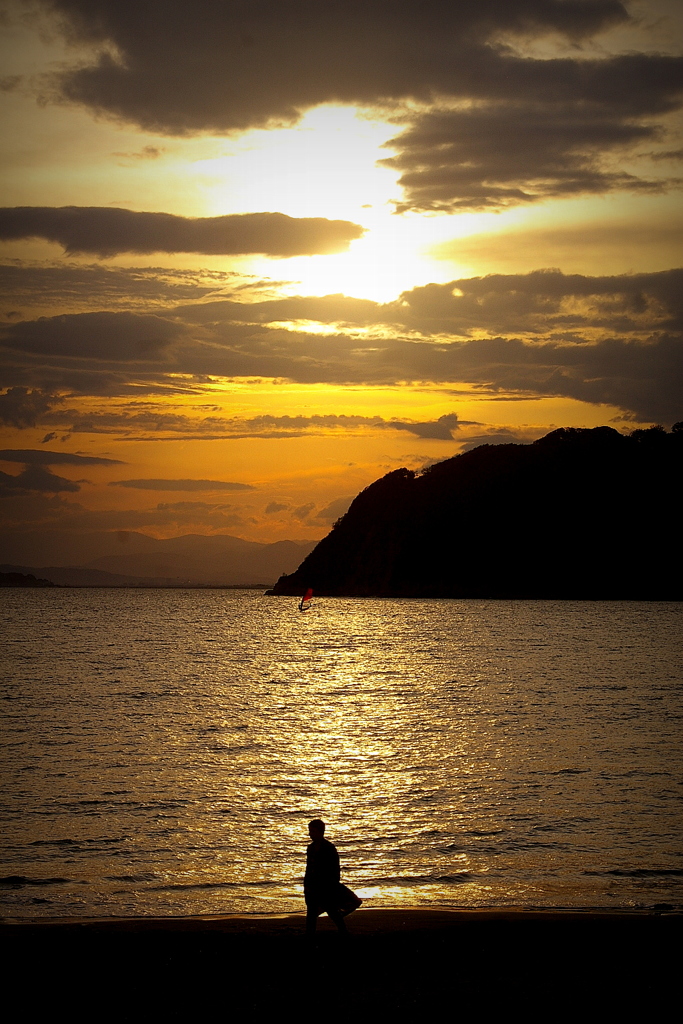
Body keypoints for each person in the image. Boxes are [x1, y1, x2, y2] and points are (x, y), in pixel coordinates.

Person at [304, 818, 361, 936]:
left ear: (321, 832)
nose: (310, 834)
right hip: (314, 885)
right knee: (312, 912)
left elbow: (335, 868)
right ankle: (310, 935)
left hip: (326, 884)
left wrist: (333, 884)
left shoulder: (329, 848)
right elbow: (309, 868)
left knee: (331, 910)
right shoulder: (310, 848)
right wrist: (306, 885)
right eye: (310, 831)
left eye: (313, 831)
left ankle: (343, 931)